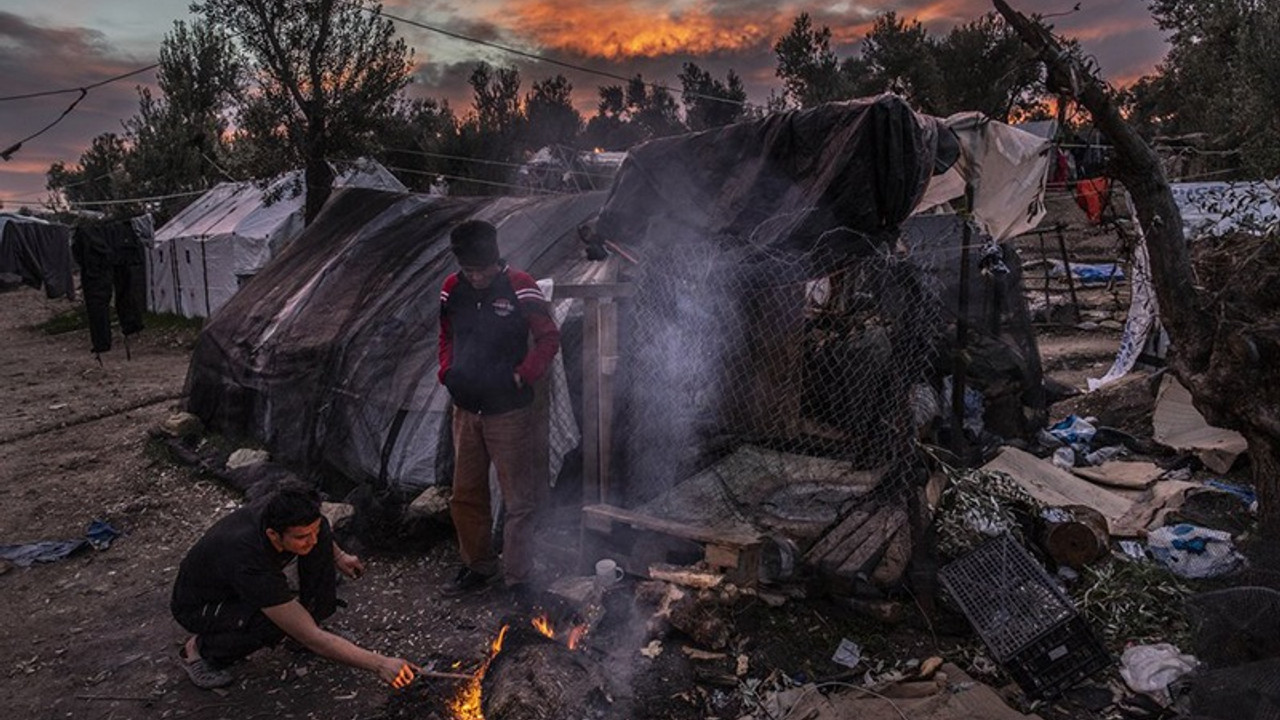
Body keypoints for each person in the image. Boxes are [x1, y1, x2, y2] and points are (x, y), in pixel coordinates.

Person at [170, 484, 418, 690]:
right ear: (273, 535)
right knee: (273, 624)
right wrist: (380, 663)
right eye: (300, 537)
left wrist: (339, 556)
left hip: (241, 584)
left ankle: (307, 625)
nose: (310, 539)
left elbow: (316, 526)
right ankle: (199, 651)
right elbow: (311, 637)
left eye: (311, 532)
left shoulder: (288, 510)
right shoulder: (249, 559)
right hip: (203, 605)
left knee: (319, 538)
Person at [438, 219, 561, 598]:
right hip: (466, 409)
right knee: (466, 493)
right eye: (469, 270)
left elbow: (548, 337)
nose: (476, 277)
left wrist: (525, 374)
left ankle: (518, 577)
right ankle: (478, 565)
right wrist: (446, 371)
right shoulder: (451, 288)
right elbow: (446, 334)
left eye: (482, 270)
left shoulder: (521, 286)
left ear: (496, 261)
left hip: (509, 411)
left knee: (519, 500)